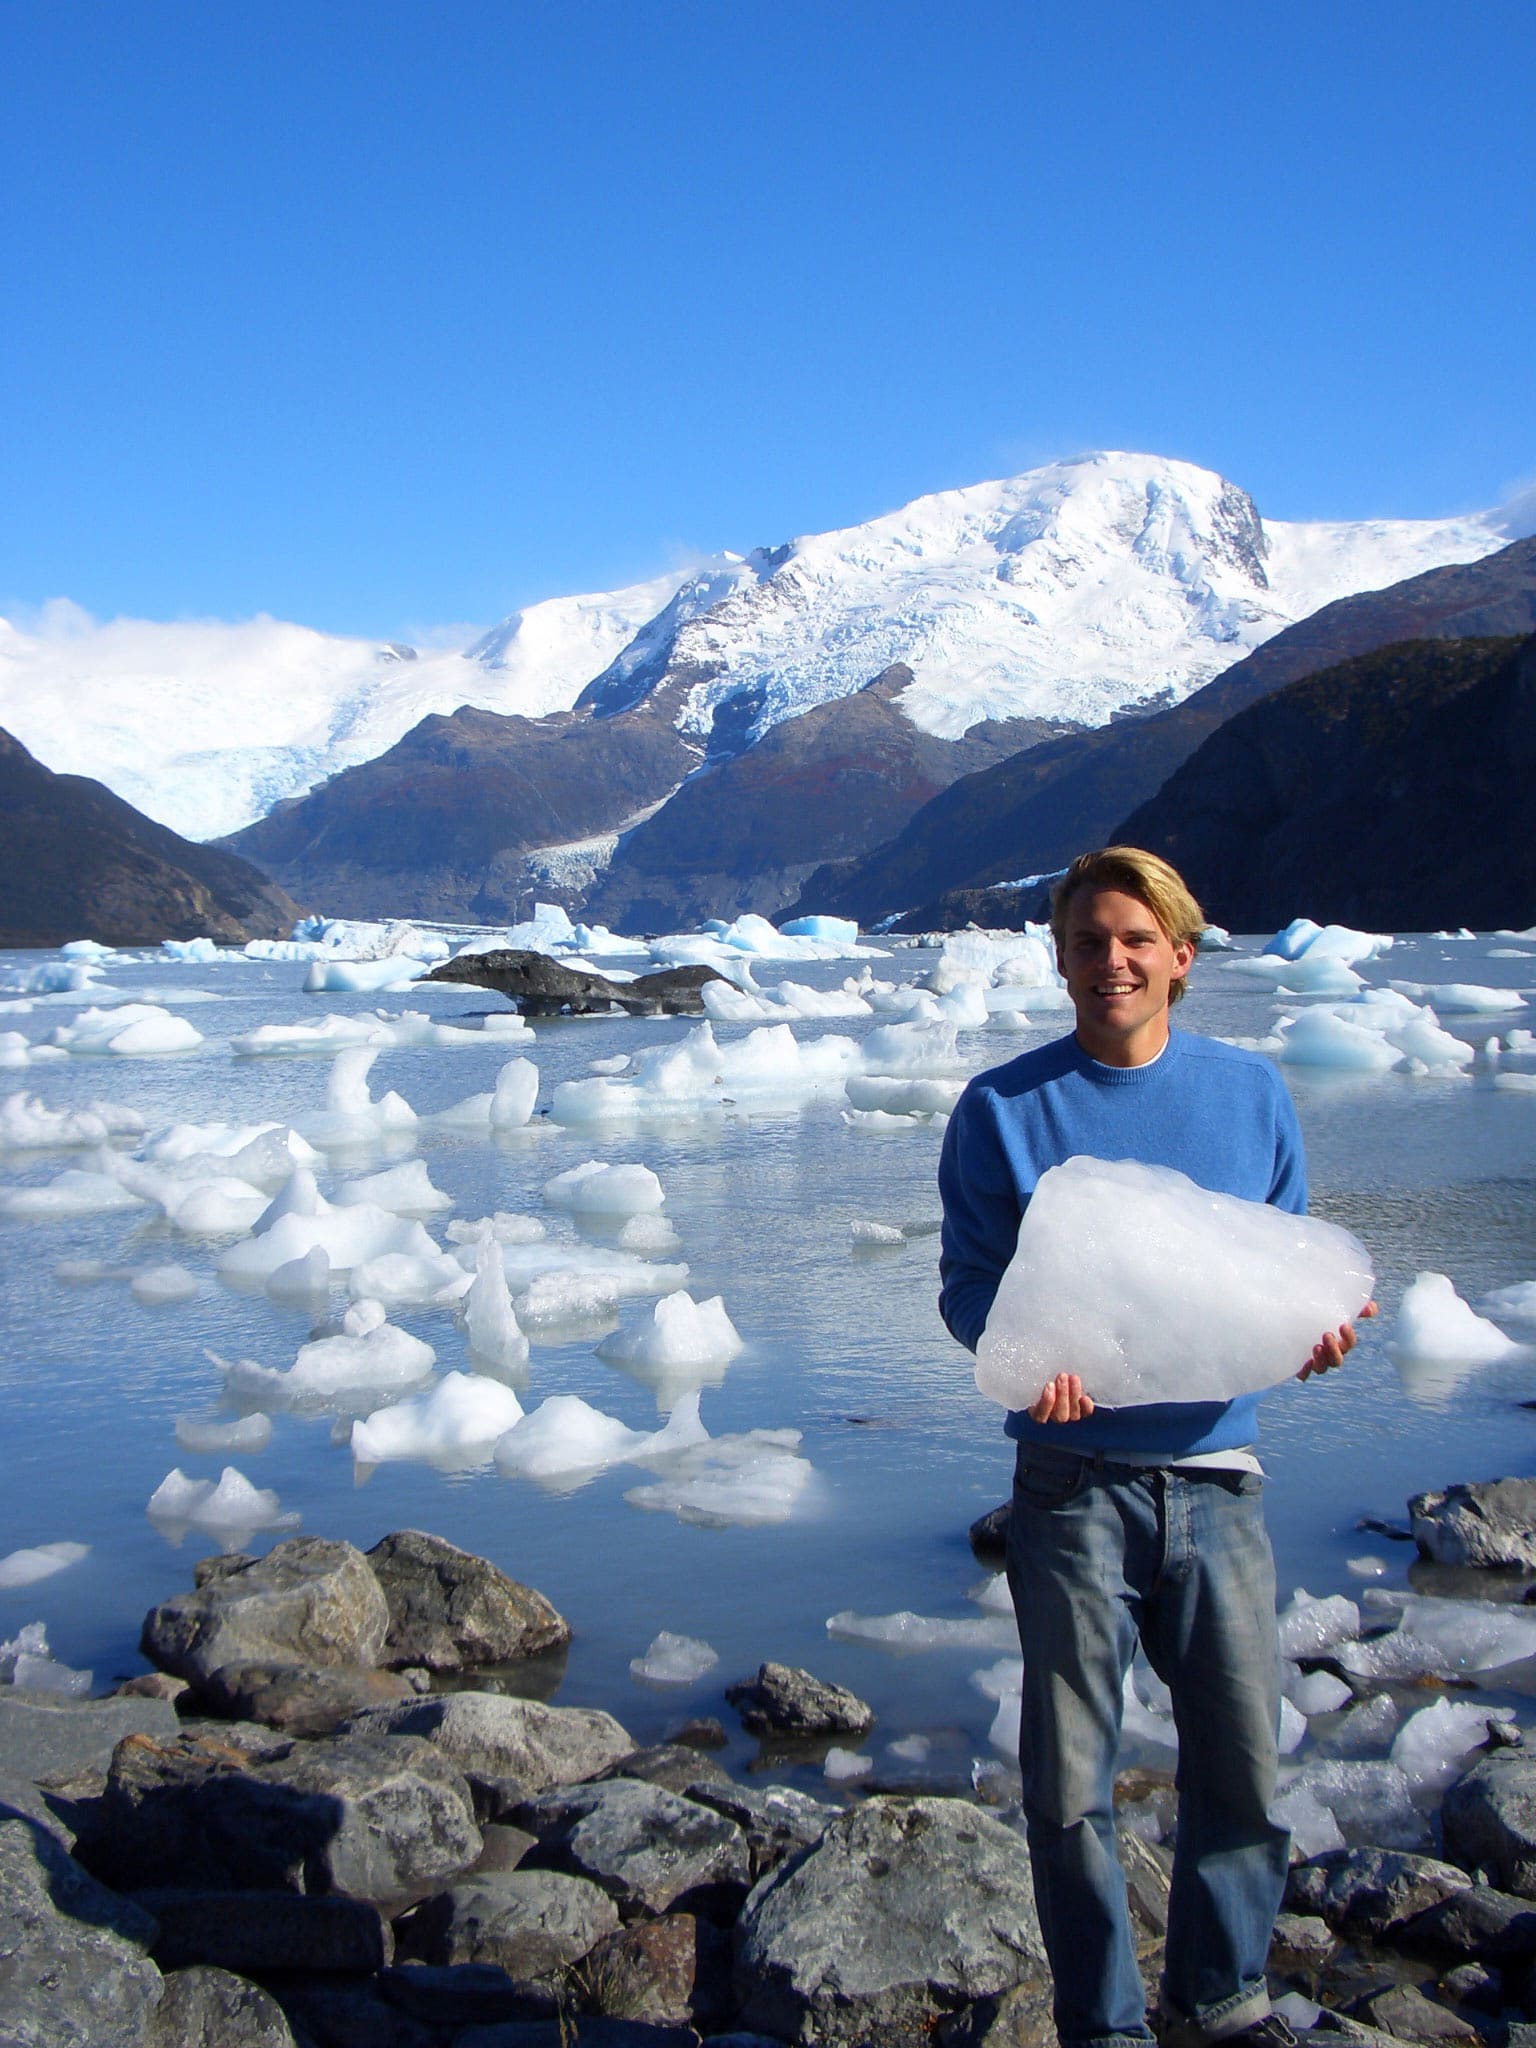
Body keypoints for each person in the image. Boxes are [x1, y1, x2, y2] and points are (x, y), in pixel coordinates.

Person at [937, 846, 1372, 2048]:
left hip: (1219, 1478)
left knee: (1238, 1760)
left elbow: (1269, 1279)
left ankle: (1223, 1993)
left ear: (1182, 953)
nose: (1110, 962)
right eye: (1088, 941)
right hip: (1069, 1482)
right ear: (1061, 956)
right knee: (1071, 1783)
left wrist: (1308, 1338)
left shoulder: (1252, 1096)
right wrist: (1026, 1357)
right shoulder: (1003, 1109)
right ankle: (1105, 2024)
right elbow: (970, 1285)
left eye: (1135, 939)